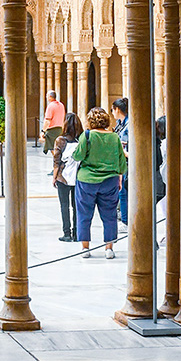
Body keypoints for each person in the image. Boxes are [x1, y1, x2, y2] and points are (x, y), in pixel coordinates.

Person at [73, 105, 127, 259]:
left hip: (86, 181)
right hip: (109, 180)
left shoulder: (87, 136)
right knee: (109, 215)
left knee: (84, 213)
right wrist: (120, 176)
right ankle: (108, 248)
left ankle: (85, 248)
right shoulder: (114, 137)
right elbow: (121, 161)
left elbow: (78, 156)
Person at [52, 111, 82, 241]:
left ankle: (66, 233)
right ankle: (77, 233)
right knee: (77, 206)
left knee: (64, 205)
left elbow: (56, 161)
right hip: (78, 176)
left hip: (62, 177)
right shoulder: (82, 140)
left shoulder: (60, 140)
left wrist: (54, 177)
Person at [113, 97, 130, 223]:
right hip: (120, 161)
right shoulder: (120, 123)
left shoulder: (129, 125)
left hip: (126, 161)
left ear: (117, 109)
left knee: (123, 192)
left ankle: (125, 220)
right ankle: (122, 215)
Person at [42, 89, 65, 154]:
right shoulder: (61, 105)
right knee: (58, 148)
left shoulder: (50, 106)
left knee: (53, 148)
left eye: (47, 95)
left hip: (52, 130)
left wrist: (43, 131)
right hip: (60, 129)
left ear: (50, 97)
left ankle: (57, 162)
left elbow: (48, 120)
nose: (46, 97)